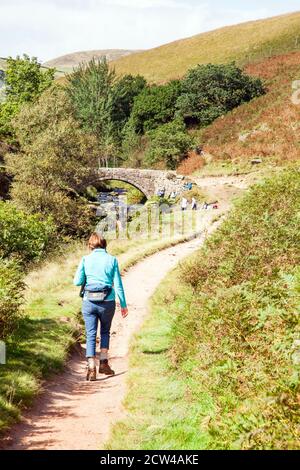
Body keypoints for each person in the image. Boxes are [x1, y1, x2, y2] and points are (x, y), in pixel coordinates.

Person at [74, 232, 128, 381]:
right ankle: (104, 363)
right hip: (107, 302)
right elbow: (118, 284)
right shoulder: (112, 260)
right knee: (105, 331)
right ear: (104, 244)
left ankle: (91, 368)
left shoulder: (85, 259)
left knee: (90, 334)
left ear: (90, 245)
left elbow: (77, 282)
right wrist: (123, 304)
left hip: (89, 302)